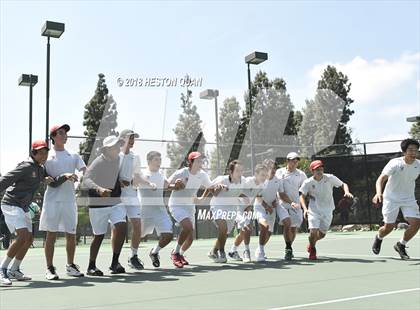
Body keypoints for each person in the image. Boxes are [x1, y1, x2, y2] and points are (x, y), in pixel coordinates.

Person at [0, 140, 63, 286]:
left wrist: (56, 177)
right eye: (40, 152)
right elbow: (6, 179)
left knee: (29, 239)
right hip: (11, 203)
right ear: (33, 153)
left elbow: (43, 179)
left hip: (23, 206)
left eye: (46, 152)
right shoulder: (26, 166)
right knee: (22, 236)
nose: (44, 155)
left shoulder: (40, 169)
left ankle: (14, 270)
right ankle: (2, 269)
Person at [39, 124, 86, 280]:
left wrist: (80, 177)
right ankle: (49, 268)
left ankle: (70, 266)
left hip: (69, 200)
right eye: (60, 133)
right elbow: (43, 176)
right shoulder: (47, 156)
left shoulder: (73, 154)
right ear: (53, 137)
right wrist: (46, 177)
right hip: (52, 201)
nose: (64, 135)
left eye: (65, 133)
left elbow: (84, 170)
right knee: (51, 235)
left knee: (71, 234)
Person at [82, 135, 126, 275]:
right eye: (114, 147)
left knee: (122, 226)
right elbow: (86, 180)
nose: (118, 149)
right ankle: (91, 266)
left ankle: (115, 263)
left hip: (115, 202)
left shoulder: (118, 160)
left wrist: (121, 181)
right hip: (98, 205)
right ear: (106, 149)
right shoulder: (97, 162)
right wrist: (99, 189)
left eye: (118, 145)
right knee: (99, 236)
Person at [372, 138, 420, 260]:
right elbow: (381, 179)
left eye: (416, 150)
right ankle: (379, 237)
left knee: (416, 223)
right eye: (410, 150)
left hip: (408, 199)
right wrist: (378, 193)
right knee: (389, 227)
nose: (413, 152)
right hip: (391, 198)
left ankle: (401, 245)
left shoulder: (418, 165)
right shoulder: (395, 163)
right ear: (404, 151)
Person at [117, 129, 156, 270]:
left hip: (131, 195)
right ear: (122, 139)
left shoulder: (135, 157)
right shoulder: (116, 156)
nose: (132, 141)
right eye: (130, 138)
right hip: (117, 197)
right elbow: (111, 175)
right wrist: (119, 182)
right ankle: (115, 260)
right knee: (118, 230)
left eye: (134, 138)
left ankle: (133, 256)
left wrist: (148, 183)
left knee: (137, 225)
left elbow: (137, 176)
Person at [299, 160, 353, 260]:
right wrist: (305, 209)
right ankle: (313, 250)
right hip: (313, 211)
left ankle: (311, 244)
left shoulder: (330, 178)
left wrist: (346, 192)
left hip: (328, 211)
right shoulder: (308, 182)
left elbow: (343, 184)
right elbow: (302, 196)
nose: (320, 171)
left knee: (322, 235)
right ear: (312, 171)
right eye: (317, 169)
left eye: (321, 169)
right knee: (313, 232)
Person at [167, 152, 212, 268]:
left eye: (201, 160)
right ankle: (175, 253)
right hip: (176, 205)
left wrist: (202, 198)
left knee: (190, 239)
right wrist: (174, 186)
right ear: (190, 162)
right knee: (188, 227)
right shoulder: (182, 172)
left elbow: (210, 187)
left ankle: (180, 254)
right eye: (197, 160)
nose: (200, 162)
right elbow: (166, 184)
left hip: (190, 206)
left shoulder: (203, 175)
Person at [200, 160, 248, 263]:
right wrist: (217, 189)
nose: (240, 173)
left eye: (241, 170)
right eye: (237, 170)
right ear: (230, 172)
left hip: (232, 208)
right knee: (223, 227)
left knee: (224, 233)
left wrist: (245, 197)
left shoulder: (243, 181)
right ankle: (222, 252)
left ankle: (213, 251)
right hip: (218, 206)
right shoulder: (221, 179)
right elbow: (211, 189)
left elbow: (237, 193)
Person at [138, 151, 173, 267]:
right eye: (156, 160)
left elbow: (167, 185)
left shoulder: (161, 174)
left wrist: (177, 185)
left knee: (168, 235)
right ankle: (133, 256)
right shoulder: (143, 174)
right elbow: (137, 182)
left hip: (160, 210)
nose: (159, 162)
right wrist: (149, 184)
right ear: (149, 161)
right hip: (145, 211)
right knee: (138, 236)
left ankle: (154, 252)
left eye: (160, 159)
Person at [228, 164, 268, 263]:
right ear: (256, 174)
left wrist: (250, 206)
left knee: (243, 232)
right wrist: (243, 198)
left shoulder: (262, 185)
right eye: (262, 175)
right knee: (247, 228)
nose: (264, 177)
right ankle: (246, 251)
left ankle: (232, 251)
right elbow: (235, 192)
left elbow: (256, 196)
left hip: (246, 209)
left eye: (265, 175)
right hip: (236, 208)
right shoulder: (246, 181)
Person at [254, 159, 291, 262]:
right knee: (264, 227)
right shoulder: (261, 180)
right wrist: (267, 207)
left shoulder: (278, 180)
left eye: (275, 168)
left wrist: (277, 201)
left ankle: (259, 248)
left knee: (269, 233)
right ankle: (261, 251)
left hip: (272, 208)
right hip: (260, 207)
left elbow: (280, 194)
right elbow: (257, 196)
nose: (273, 170)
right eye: (271, 168)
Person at [276, 152, 307, 260]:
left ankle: (288, 247)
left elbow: (304, 190)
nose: (295, 163)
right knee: (287, 224)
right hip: (283, 204)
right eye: (293, 160)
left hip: (296, 205)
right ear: (287, 161)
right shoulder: (279, 172)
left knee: (293, 229)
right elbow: (280, 192)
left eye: (296, 161)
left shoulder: (301, 174)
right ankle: (288, 248)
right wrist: (290, 202)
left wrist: (302, 203)